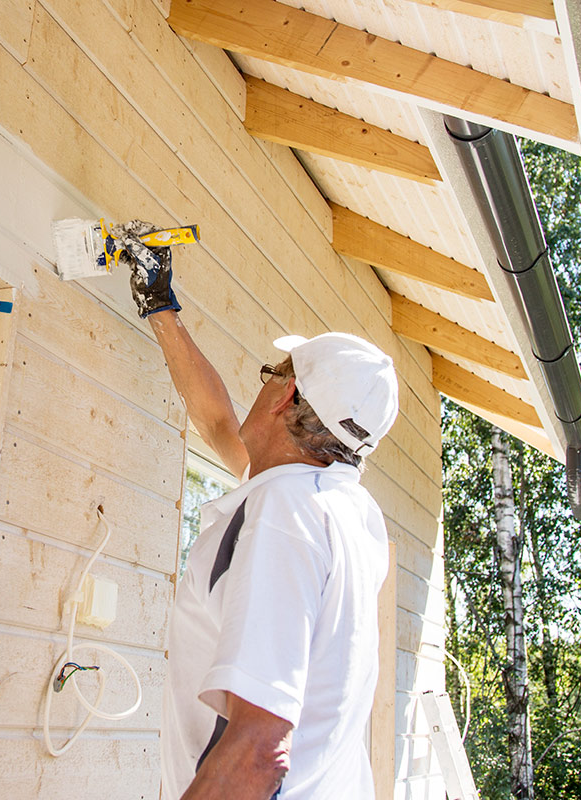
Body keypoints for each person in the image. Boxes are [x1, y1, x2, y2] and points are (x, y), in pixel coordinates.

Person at [120, 223, 396, 800]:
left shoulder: (286, 515)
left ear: (288, 396)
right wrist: (160, 306)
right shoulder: (336, 507)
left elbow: (259, 752)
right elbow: (221, 424)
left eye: (272, 373)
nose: (262, 384)